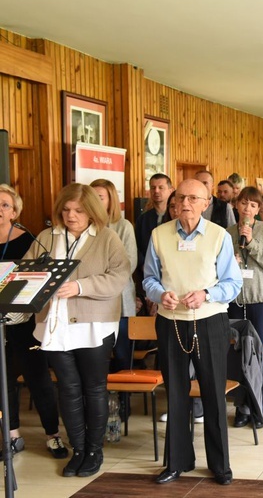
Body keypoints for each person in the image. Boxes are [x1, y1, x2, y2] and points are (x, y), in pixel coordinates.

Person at [25, 183, 130, 477]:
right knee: (68, 388)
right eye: (66, 209)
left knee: (93, 388)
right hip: (54, 325)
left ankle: (95, 451)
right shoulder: (47, 237)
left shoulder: (107, 237)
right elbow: (28, 272)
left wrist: (81, 286)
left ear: (91, 211)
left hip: (93, 324)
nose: (71, 215)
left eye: (79, 210)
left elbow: (119, 276)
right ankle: (79, 449)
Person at [143, 179, 242, 486]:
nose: (185, 203)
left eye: (193, 198)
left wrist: (207, 294)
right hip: (171, 320)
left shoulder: (218, 236)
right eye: (181, 197)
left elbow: (233, 283)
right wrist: (160, 295)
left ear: (206, 202)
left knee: (212, 392)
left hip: (209, 320)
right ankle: (177, 461)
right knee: (175, 392)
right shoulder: (159, 234)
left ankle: (220, 465)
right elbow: (148, 278)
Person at [0, 184, 67, 459]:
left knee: (38, 379)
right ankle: (12, 435)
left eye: (4, 205)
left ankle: (53, 435)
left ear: (15, 211)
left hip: (24, 321)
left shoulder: (29, 239)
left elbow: (41, 276)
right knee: (3, 382)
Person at [226, 186, 263, 429]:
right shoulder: (227, 232)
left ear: (258, 210)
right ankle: (242, 407)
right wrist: (231, 262)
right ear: (237, 205)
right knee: (237, 356)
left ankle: (261, 409)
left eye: (253, 205)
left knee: (259, 354)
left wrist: (252, 243)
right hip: (235, 299)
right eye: (244, 203)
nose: (248, 208)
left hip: (258, 299)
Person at [90, 179, 139, 420]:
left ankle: (123, 402)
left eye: (100, 196)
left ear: (110, 199)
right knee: (97, 354)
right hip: (92, 303)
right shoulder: (87, 227)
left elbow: (128, 263)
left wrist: (98, 274)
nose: (95, 201)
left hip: (120, 301)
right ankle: (100, 405)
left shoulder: (123, 226)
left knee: (121, 354)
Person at [135, 174, 173, 310]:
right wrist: (144, 264)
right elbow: (137, 247)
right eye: (153, 188)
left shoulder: (176, 218)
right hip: (148, 272)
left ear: (170, 189)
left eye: (161, 187)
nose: (156, 191)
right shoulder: (143, 219)